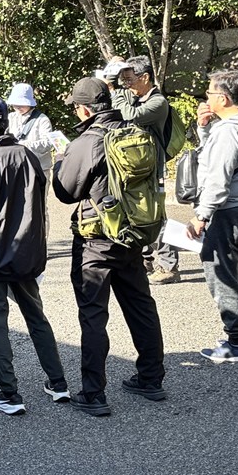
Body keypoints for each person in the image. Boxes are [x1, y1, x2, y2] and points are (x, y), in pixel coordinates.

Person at [53, 78, 167, 416]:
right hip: (132, 233)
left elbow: (65, 192)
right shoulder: (135, 132)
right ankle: (151, 377)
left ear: (85, 109)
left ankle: (93, 393)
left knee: (93, 314)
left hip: (97, 238)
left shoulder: (87, 142)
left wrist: (61, 162)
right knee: (141, 306)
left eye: (76, 106)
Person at [0, 96, 70, 415]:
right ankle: (58, 383)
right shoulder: (28, 156)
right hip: (26, 254)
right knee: (37, 318)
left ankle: (9, 393)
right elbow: (40, 208)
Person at [185, 69, 238, 363]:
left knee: (221, 276)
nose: (206, 98)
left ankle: (237, 344)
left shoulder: (230, 131)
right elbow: (216, 158)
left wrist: (201, 216)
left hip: (227, 212)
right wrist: (205, 128)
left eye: (209, 93)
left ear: (223, 97)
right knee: (235, 274)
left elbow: (218, 178)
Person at [106, 57, 182, 285]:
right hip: (132, 167)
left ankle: (169, 265)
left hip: (151, 169)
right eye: (124, 80)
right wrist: (113, 72)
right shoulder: (134, 95)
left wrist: (115, 90)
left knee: (156, 215)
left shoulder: (158, 103)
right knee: (136, 213)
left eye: (129, 79)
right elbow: (115, 102)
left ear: (145, 77)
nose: (125, 84)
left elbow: (128, 114)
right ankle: (146, 261)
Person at [5, 83, 58, 184]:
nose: (18, 107)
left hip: (39, 169)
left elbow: (48, 143)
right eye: (15, 105)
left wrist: (25, 145)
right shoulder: (11, 117)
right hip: (18, 168)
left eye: (21, 104)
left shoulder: (42, 119)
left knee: (39, 199)